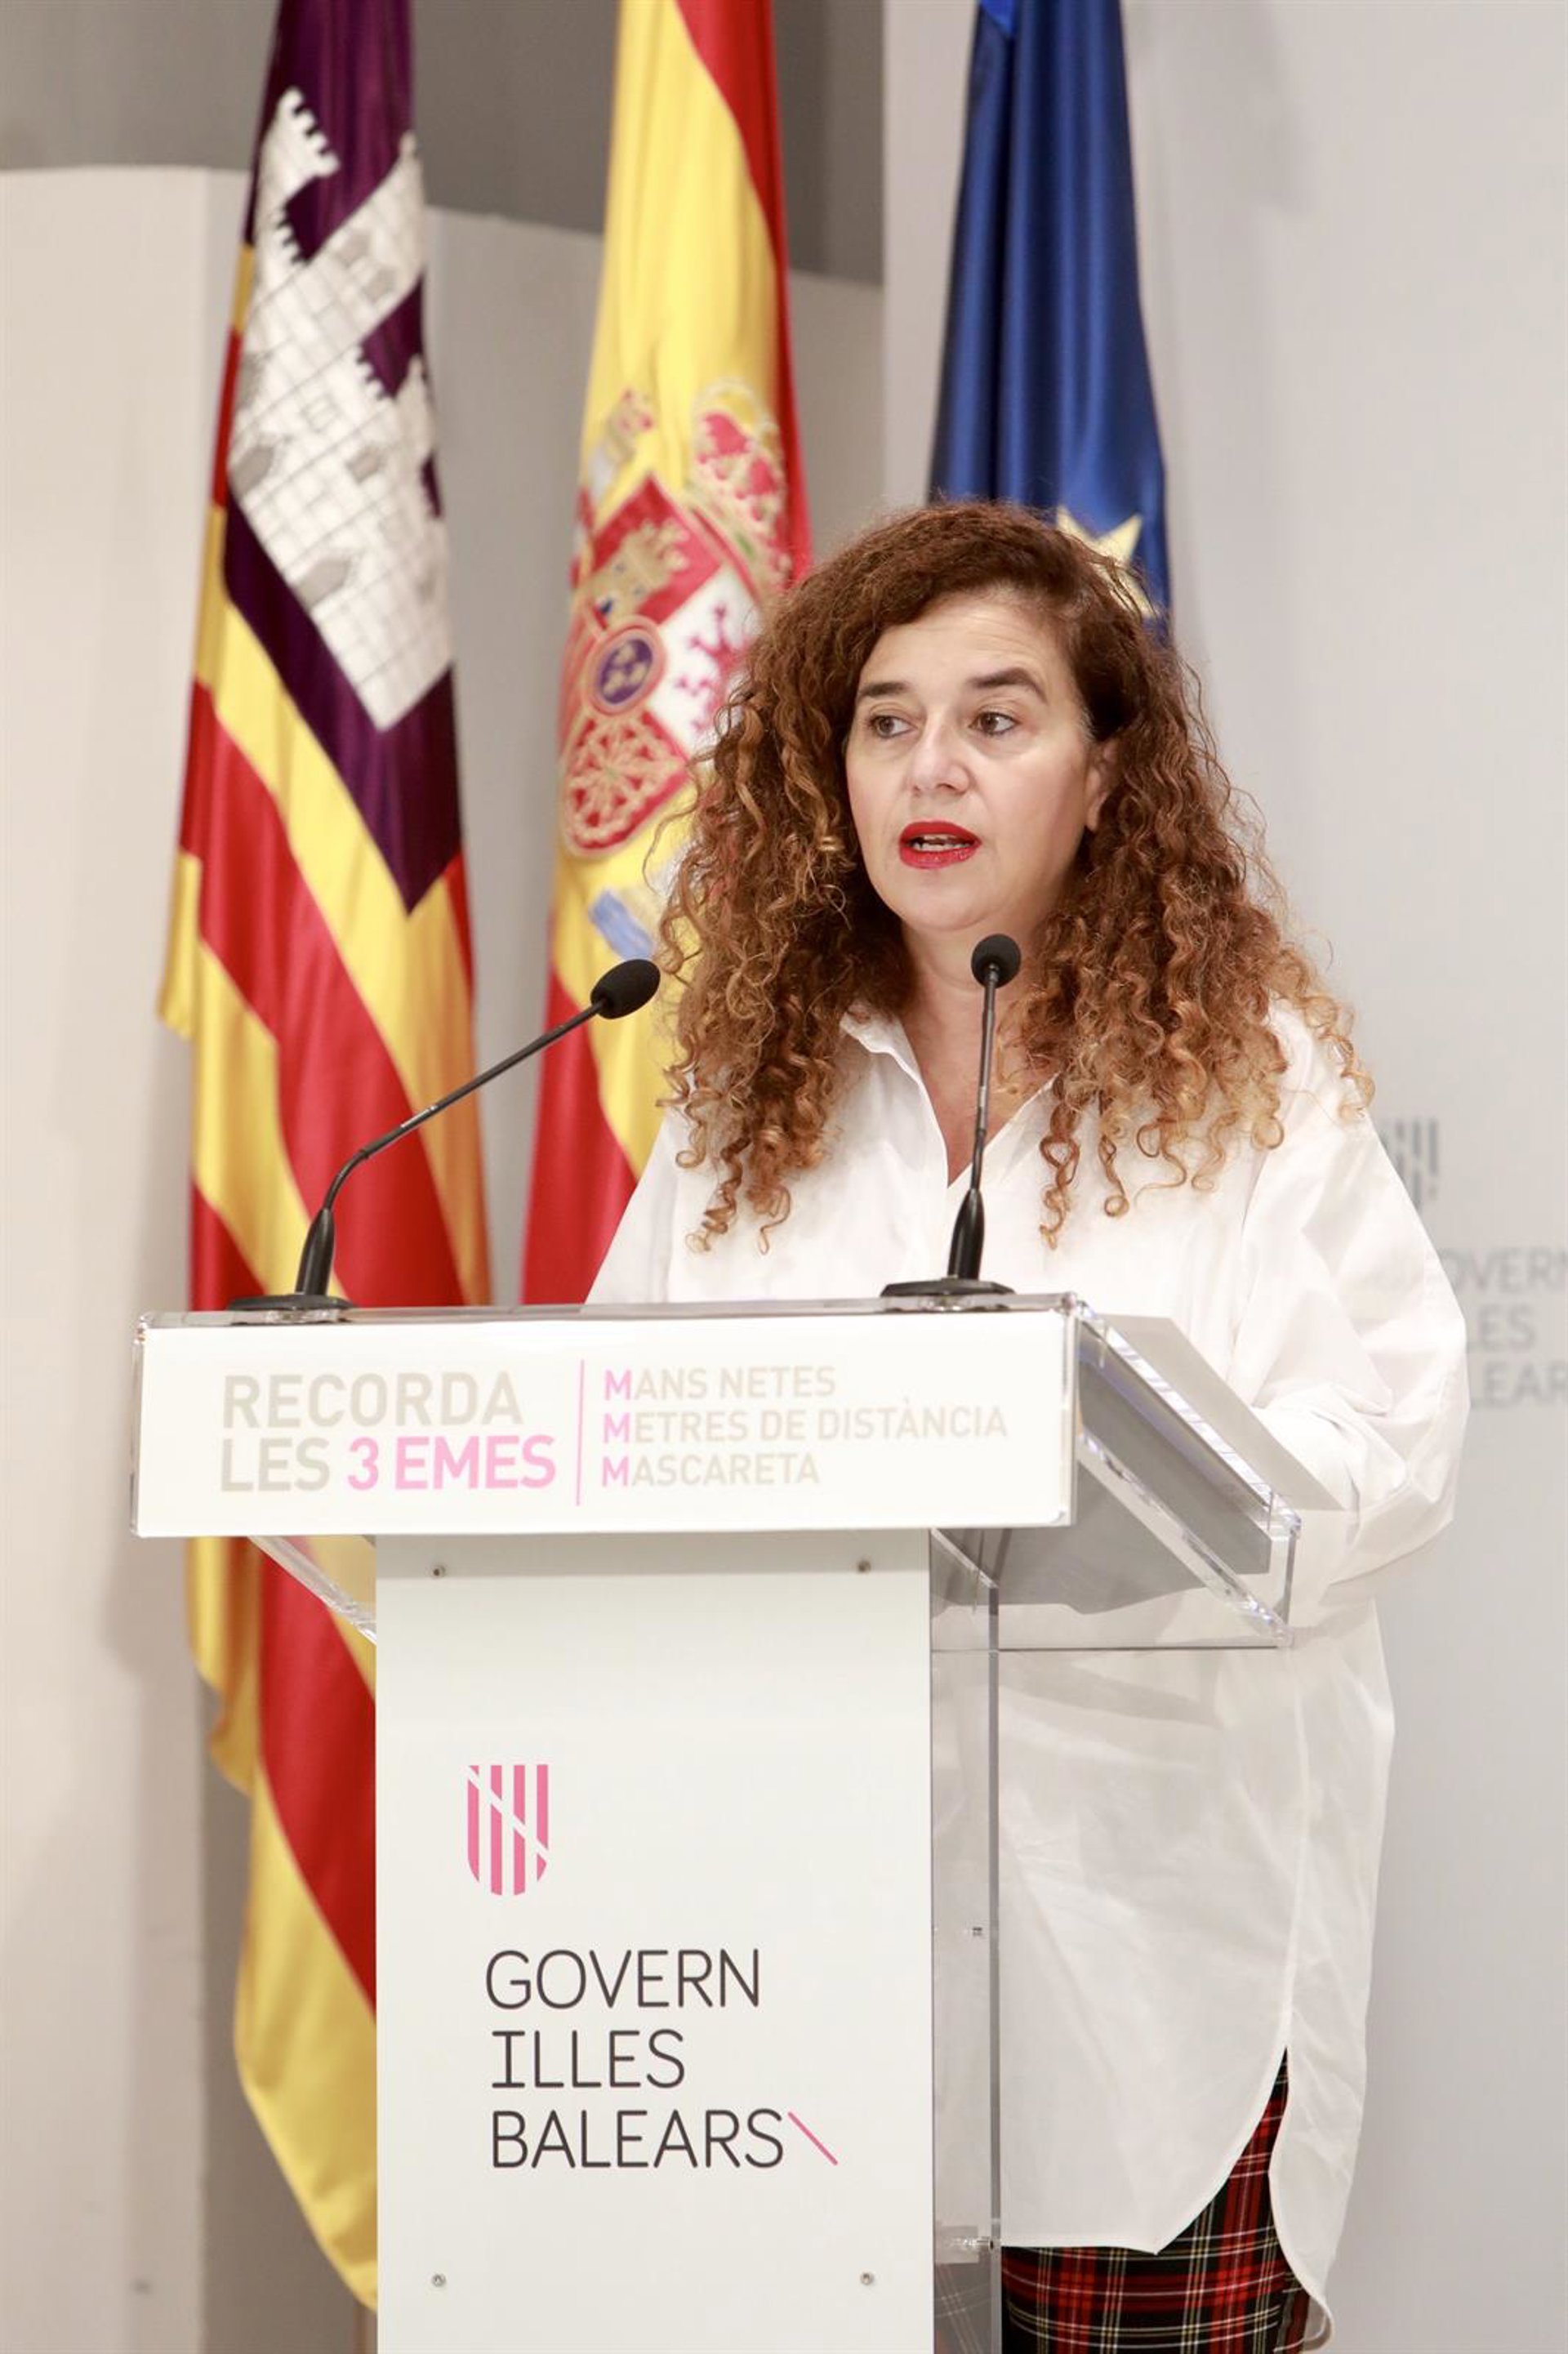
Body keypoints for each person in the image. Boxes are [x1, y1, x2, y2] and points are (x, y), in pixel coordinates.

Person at [589, 502, 1468, 2351]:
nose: (932, 767)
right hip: (788, 1962)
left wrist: (1111, 1486)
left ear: (1104, 775)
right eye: (887, 720)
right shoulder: (742, 1101)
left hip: (1148, 1959)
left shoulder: (1249, 1082)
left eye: (997, 719)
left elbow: (1390, 1441)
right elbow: (613, 1435)